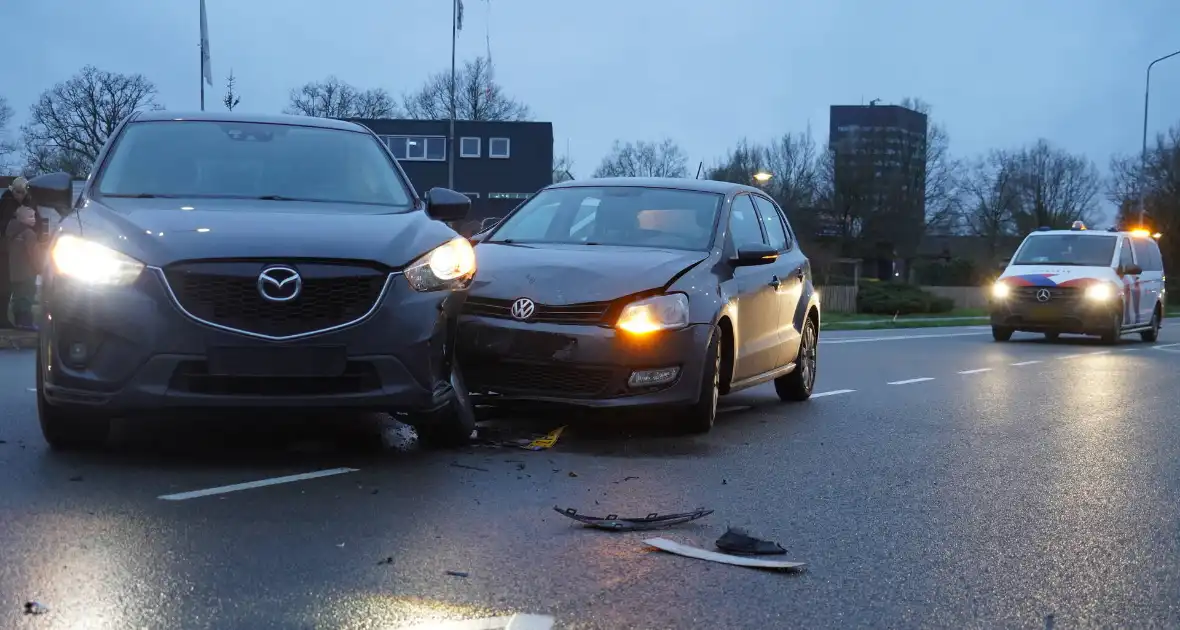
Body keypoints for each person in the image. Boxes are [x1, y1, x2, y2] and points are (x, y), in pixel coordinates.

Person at [0, 177, 37, 328]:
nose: (19, 195)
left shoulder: (29, 203)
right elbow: (5, 226)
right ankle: (6, 319)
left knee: (21, 287)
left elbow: (37, 222)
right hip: (6, 251)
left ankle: (17, 319)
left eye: (22, 192)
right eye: (17, 192)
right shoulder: (7, 203)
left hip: (18, 253)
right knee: (6, 286)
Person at [6, 206, 43, 330]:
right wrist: (40, 268)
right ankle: (26, 323)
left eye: (34, 216)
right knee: (27, 297)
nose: (34, 219)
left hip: (14, 271)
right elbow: (34, 253)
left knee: (17, 297)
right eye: (30, 217)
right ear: (22, 219)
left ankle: (18, 321)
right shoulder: (29, 234)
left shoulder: (10, 231)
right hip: (28, 271)